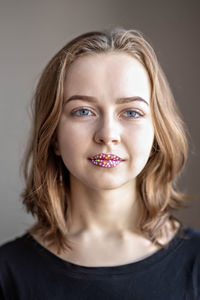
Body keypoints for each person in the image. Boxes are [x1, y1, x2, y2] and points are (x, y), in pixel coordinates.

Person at [0, 28, 199, 300]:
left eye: (131, 112)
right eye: (83, 111)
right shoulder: (7, 273)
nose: (107, 134)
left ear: (157, 134)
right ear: (54, 136)